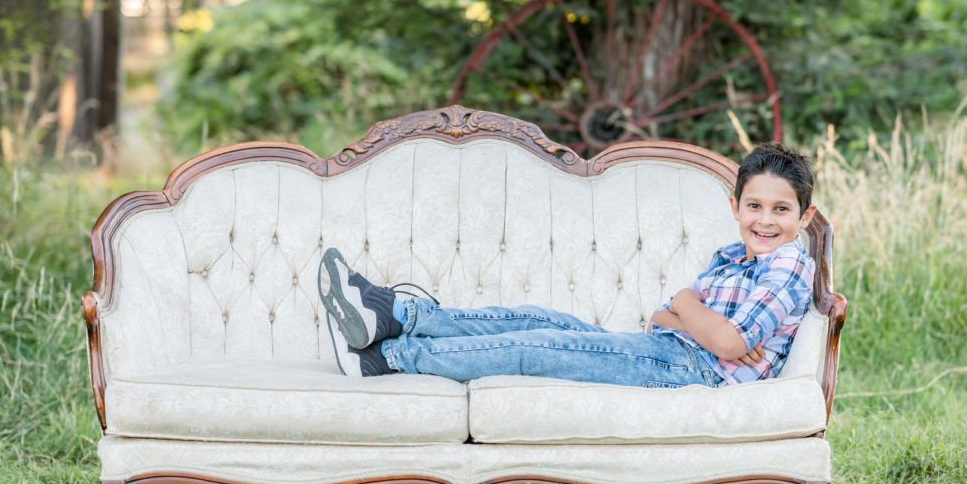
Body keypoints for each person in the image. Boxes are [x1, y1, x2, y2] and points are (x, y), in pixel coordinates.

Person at [318, 142, 818, 389]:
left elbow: (725, 342)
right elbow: (660, 317)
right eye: (754, 206)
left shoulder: (790, 265)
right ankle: (392, 313)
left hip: (692, 372)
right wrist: (699, 320)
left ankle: (387, 357)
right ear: (735, 207)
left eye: (781, 209)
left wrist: (693, 307)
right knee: (539, 320)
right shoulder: (733, 257)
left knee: (536, 347)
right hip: (669, 347)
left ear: (805, 215)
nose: (765, 221)